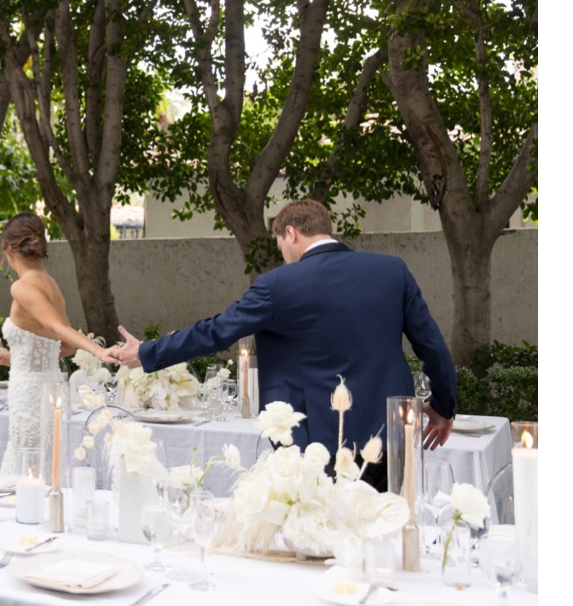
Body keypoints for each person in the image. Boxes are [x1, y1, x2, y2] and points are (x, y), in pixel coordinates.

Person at [103, 200, 456, 492]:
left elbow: (217, 331)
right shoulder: (392, 271)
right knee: (387, 535)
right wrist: (444, 406)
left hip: (318, 443)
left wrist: (147, 352)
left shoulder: (277, 285)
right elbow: (432, 346)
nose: (284, 255)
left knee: (323, 544)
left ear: (290, 233)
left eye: (280, 246)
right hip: (392, 436)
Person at [0, 212, 108, 474]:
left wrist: (100, 351)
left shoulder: (21, 287)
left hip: (29, 393)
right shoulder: (50, 284)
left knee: (25, 461)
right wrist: (14, 357)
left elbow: (58, 329)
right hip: (51, 388)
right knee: (44, 463)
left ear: (8, 248)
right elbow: (66, 347)